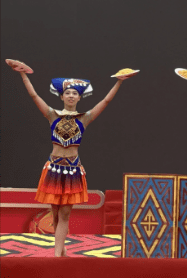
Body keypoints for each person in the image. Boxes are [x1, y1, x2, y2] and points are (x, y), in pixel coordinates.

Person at [9, 61, 130, 257]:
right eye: (68, 93)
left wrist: (119, 82)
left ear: (80, 97)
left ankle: (57, 255)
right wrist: (23, 74)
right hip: (53, 168)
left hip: (72, 169)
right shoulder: (52, 115)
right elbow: (34, 96)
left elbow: (106, 101)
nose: (71, 95)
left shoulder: (84, 118)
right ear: (61, 96)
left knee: (65, 213)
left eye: (75, 93)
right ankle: (62, 249)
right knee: (55, 213)